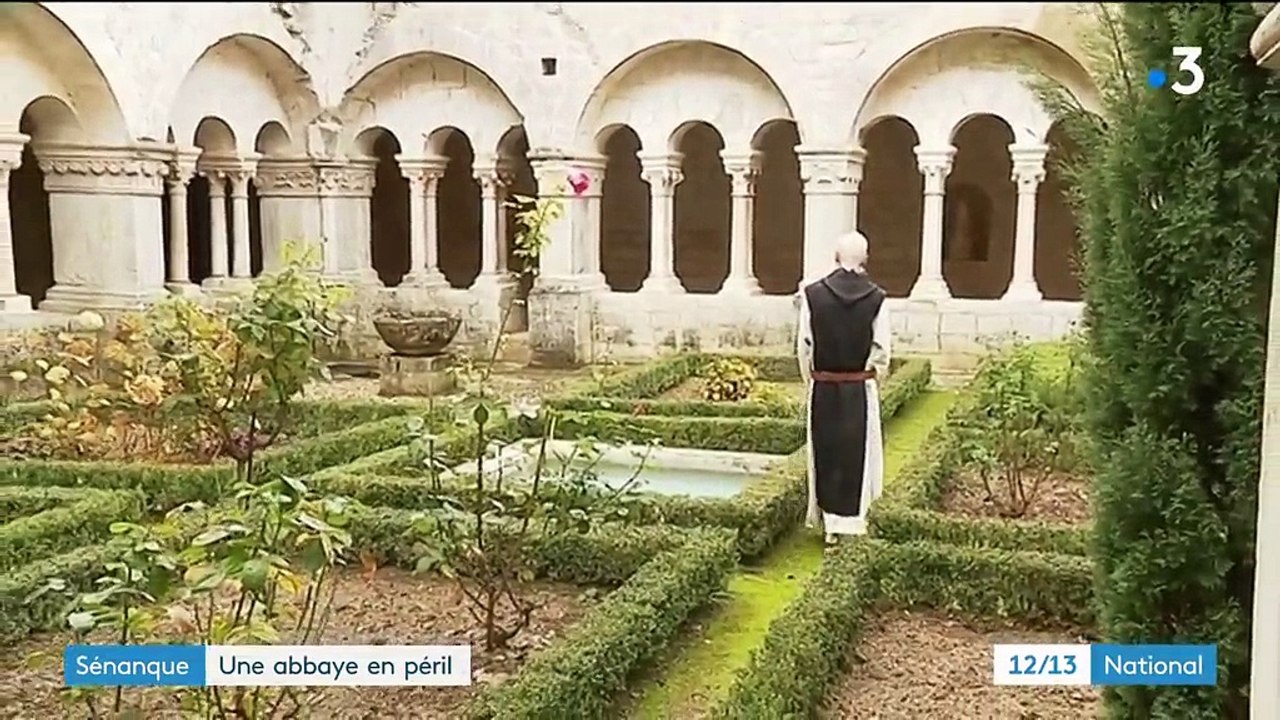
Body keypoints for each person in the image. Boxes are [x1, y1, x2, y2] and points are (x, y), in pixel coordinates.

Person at [796, 230, 891, 544]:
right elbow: (882, 350)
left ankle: (829, 525)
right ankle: (855, 520)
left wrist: (809, 377)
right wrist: (876, 374)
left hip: (823, 385)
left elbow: (804, 345)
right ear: (865, 258)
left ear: (836, 257)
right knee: (859, 452)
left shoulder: (812, 295)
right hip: (859, 389)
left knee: (826, 451)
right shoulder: (877, 298)